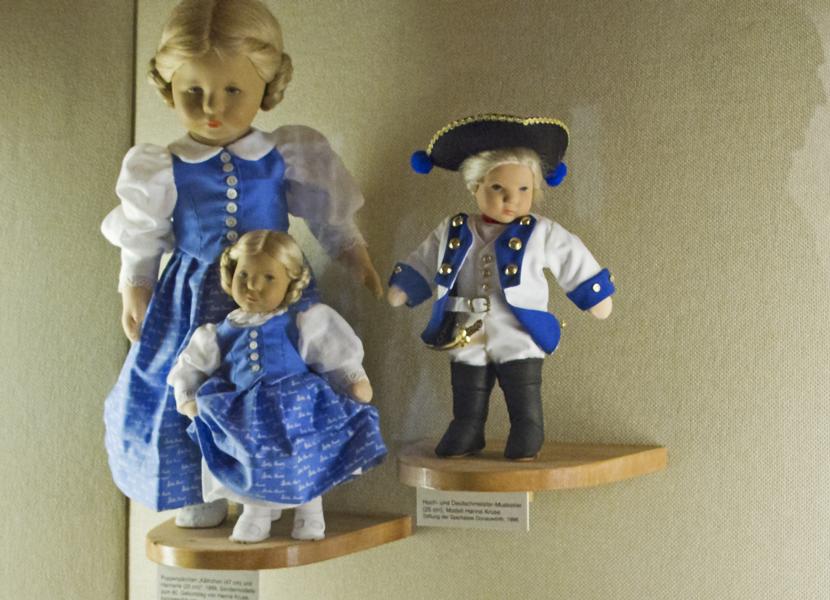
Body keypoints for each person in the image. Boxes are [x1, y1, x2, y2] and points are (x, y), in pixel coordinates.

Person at [101, 0, 382, 526]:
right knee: (186, 382)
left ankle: (282, 485)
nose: (213, 106)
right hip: (191, 294)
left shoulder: (287, 153)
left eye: (233, 90)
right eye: (193, 91)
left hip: (277, 288)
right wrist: (135, 283)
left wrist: (353, 252)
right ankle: (198, 491)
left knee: (279, 382)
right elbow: (143, 233)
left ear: (266, 87)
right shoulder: (161, 167)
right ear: (169, 87)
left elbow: (326, 213)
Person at [388, 114, 615, 460]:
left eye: (523, 189)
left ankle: (528, 427)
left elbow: (571, 255)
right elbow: (426, 256)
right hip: (466, 325)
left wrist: (592, 293)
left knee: (521, 383)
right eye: (498, 188)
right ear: (475, 186)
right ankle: (467, 427)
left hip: (518, 326)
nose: (512, 199)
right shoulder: (454, 228)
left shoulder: (541, 231)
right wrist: (407, 284)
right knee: (467, 381)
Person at [168, 230, 386, 543]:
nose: (253, 286)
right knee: (253, 461)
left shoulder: (302, 322)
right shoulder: (220, 332)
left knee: (306, 457)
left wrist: (353, 379)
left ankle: (311, 513)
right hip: (245, 413)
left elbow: (330, 352)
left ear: (290, 282)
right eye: (244, 275)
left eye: (268, 277)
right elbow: (191, 365)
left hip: (298, 406)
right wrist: (187, 395)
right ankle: (255, 515)